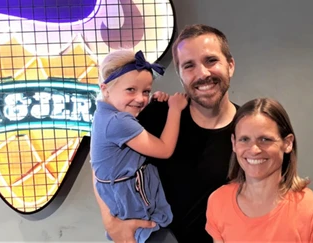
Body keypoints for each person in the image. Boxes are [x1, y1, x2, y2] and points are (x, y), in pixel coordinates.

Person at [93, 24, 239, 243]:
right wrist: (111, 222)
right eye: (189, 65)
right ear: (180, 74)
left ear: (230, 65)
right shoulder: (156, 114)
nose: (202, 73)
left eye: (211, 60)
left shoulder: (248, 128)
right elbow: (101, 165)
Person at [205, 98, 313, 242]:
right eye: (244, 139)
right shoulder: (219, 201)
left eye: (265, 139)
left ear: (287, 143)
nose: (254, 149)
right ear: (234, 143)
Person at [90, 49, 188, 243]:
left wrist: (152, 103)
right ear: (105, 89)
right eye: (131, 90)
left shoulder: (105, 115)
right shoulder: (118, 122)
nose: (140, 98)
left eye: (146, 91)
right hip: (136, 209)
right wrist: (175, 109)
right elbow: (165, 149)